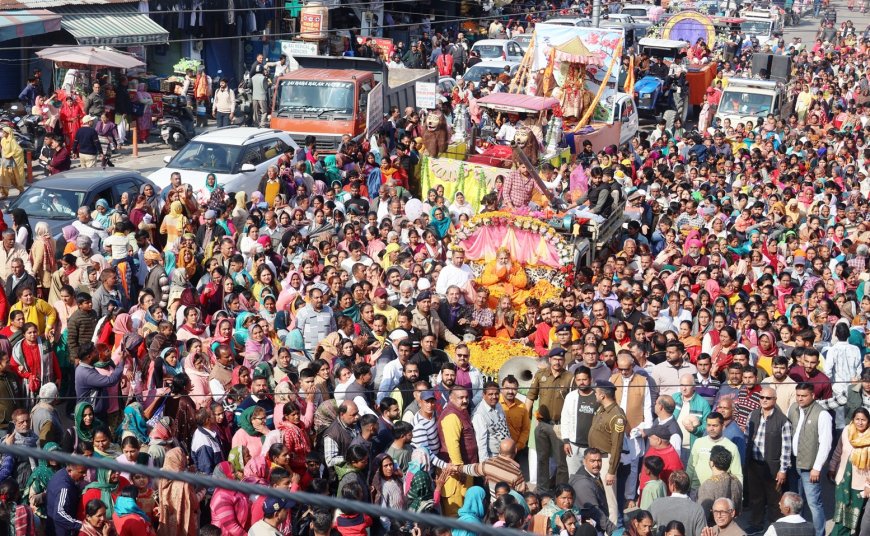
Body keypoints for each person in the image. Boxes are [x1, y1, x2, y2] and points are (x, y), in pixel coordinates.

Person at [787, 382, 832, 536]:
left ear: (813, 395)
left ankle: (819, 533)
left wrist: (817, 467)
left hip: (809, 467)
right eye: (798, 395)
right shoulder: (793, 408)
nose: (800, 399)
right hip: (793, 464)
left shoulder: (822, 414)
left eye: (804, 396)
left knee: (814, 504)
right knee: (796, 503)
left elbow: (825, 443)